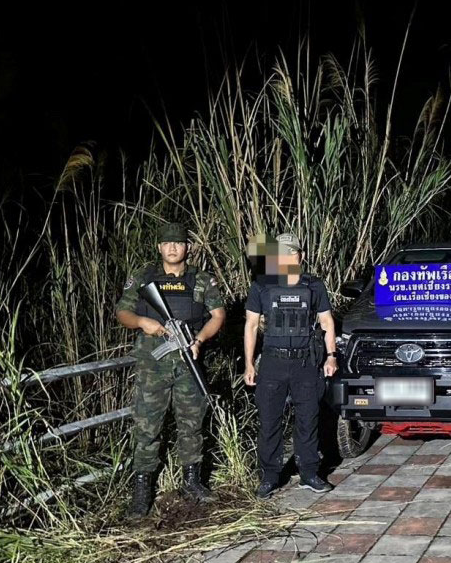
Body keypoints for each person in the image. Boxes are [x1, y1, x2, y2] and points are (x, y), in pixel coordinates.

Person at [115, 222, 226, 518]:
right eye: (167, 243)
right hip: (152, 365)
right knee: (147, 426)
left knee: (192, 423)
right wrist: (143, 322)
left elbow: (218, 315)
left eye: (178, 243)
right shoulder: (143, 276)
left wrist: (198, 340)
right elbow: (122, 312)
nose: (172, 248)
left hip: (188, 362)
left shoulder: (201, 280)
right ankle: (142, 490)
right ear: (159, 247)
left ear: (187, 248)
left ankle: (192, 482)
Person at [243, 233, 338, 498]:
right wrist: (249, 364)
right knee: (269, 421)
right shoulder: (261, 286)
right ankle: (270, 476)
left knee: (308, 419)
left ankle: (309, 473)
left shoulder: (314, 285)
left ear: (301, 256)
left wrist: (331, 356)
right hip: (273, 361)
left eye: (291, 252)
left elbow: (327, 322)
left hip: (305, 362)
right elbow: (251, 326)